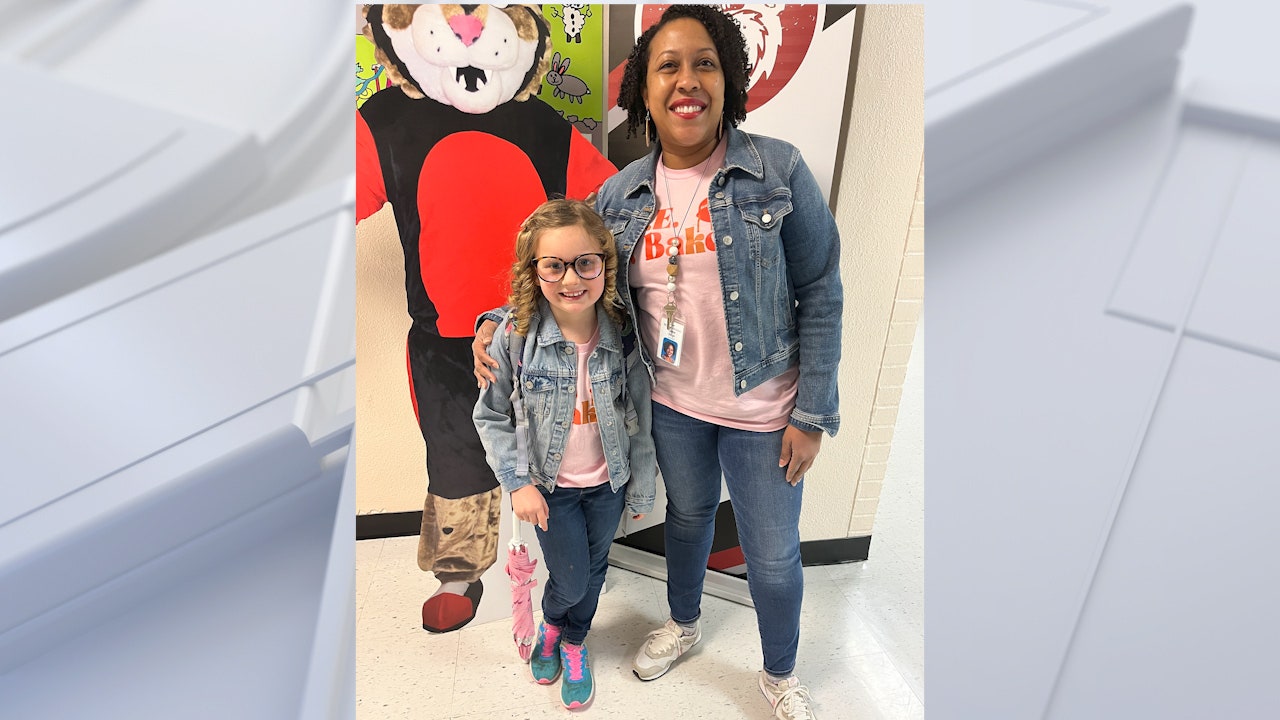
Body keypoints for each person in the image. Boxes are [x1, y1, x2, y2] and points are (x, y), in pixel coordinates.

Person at [475, 6, 842, 718]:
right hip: (670, 406)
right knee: (687, 522)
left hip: (766, 412)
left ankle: (780, 674)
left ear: (729, 79)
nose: (687, 80)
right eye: (667, 66)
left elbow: (821, 291)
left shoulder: (779, 169)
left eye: (704, 62)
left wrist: (813, 411)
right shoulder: (620, 195)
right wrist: (493, 325)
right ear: (644, 89)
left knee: (771, 556)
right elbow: (562, 274)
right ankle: (682, 623)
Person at [473, 198, 657, 711]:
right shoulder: (513, 336)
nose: (571, 278)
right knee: (572, 577)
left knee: (594, 572)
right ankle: (553, 624)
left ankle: (574, 642)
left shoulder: (622, 334)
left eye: (585, 263)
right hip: (550, 490)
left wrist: (640, 486)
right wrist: (518, 483)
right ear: (534, 271)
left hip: (608, 485)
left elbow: (639, 417)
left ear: (605, 264)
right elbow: (489, 416)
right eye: (553, 264)